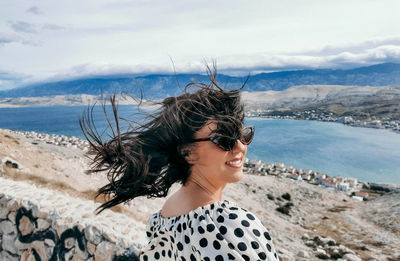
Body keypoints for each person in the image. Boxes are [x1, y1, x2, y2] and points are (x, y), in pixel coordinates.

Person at [80, 67, 279, 261]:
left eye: (244, 135)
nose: (240, 147)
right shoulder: (230, 226)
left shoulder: (162, 219)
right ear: (188, 153)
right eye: (224, 139)